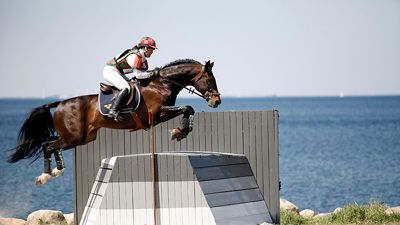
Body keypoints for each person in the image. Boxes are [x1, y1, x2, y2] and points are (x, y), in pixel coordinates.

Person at [103, 36, 159, 120]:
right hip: (110, 71)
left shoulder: (143, 59)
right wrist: (152, 73)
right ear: (145, 48)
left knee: (133, 86)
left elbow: (143, 74)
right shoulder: (135, 57)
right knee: (126, 87)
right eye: (151, 49)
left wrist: (152, 73)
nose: (152, 52)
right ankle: (113, 110)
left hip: (118, 72)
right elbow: (138, 75)